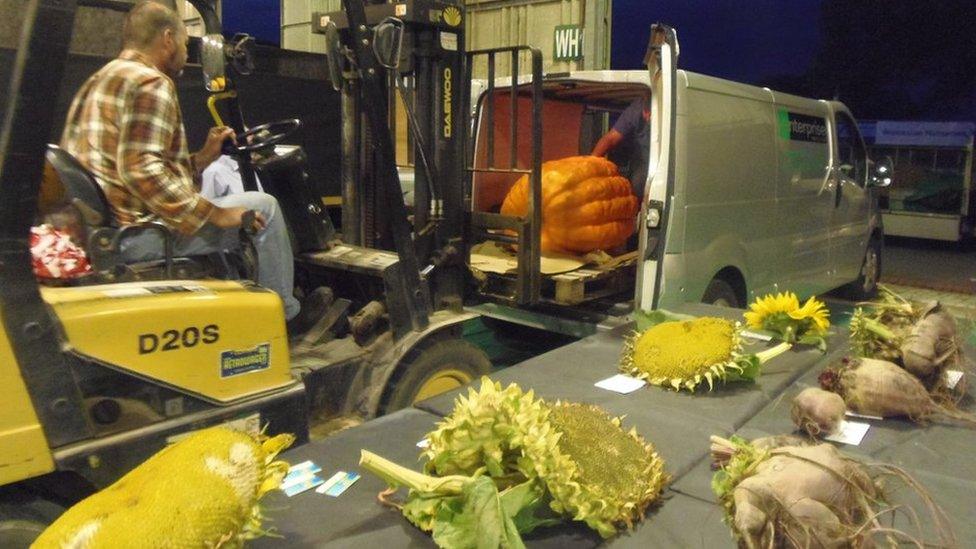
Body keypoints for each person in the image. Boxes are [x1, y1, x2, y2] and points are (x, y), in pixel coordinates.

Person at [59, 1, 325, 335]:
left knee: (232, 212)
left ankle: (237, 308)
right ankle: (284, 318)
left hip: (103, 228)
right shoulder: (150, 83)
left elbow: (132, 163)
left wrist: (202, 158)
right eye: (186, 44)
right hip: (135, 235)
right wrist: (214, 214)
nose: (186, 53)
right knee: (265, 208)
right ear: (167, 39)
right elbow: (142, 170)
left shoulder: (100, 79)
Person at [591, 95, 651, 198]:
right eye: (646, 112)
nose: (648, 117)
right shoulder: (636, 109)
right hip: (642, 156)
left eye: (651, 114)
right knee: (637, 184)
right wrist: (591, 162)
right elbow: (611, 138)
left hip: (666, 153)